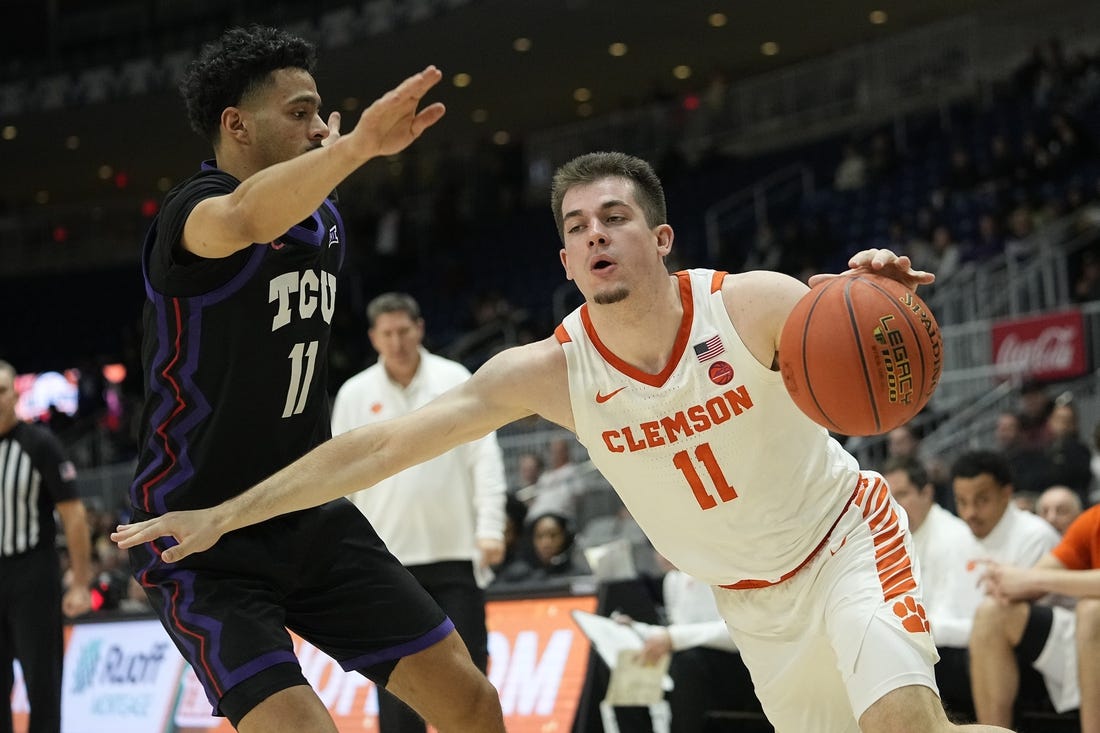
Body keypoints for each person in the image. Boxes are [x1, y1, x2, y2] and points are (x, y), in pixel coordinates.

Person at [114, 152, 1014, 732]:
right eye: (577, 228)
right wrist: (226, 510)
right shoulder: (551, 370)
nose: (595, 236)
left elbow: (863, 338)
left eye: (614, 218)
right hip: (750, 600)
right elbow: (376, 451)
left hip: (845, 545)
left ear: (659, 238)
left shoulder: (753, 304)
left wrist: (882, 293)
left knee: (904, 727)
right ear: (565, 263)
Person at [118, 26, 502, 733]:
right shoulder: (193, 212)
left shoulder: (323, 220)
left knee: (472, 701)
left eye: (322, 111)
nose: (321, 126)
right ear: (237, 124)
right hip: (199, 537)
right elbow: (243, 214)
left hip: (307, 508)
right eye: (299, 112)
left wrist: (341, 155)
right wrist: (357, 148)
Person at [329, 292, 506, 733]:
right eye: (387, 334)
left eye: (404, 331)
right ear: (373, 338)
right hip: (385, 564)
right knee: (398, 695)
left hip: (457, 557)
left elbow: (484, 458)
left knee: (469, 687)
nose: (397, 341)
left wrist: (491, 529)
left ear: (420, 328)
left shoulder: (455, 378)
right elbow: (337, 478)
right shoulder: (355, 393)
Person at [0, 359, 93, 733]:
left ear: (15, 393)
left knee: (42, 682)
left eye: (2, 391)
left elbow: (74, 516)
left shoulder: (40, 444)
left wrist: (82, 583)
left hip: (32, 575)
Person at [969, 503, 1100, 731]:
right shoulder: (1093, 519)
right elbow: (1037, 574)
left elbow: (1036, 578)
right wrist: (1007, 580)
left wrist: (1034, 580)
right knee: (991, 614)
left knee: (1092, 612)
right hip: (1089, 645)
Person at [884, 456, 985, 722]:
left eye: (902, 494)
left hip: (961, 652)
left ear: (927, 492)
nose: (894, 504)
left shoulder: (953, 536)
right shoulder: (897, 536)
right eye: (889, 496)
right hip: (925, 643)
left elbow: (952, 624)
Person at [615, 555, 762, 733]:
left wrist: (673, 638)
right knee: (631, 661)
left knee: (686, 662)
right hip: (695, 665)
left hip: (743, 666)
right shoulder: (673, 579)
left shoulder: (723, 570)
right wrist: (636, 629)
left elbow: (738, 634)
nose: (662, 554)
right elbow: (677, 632)